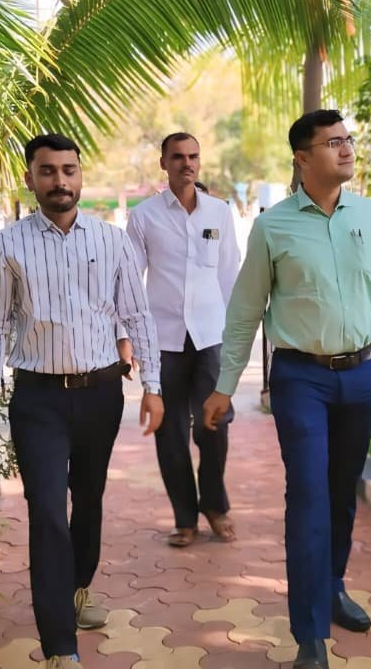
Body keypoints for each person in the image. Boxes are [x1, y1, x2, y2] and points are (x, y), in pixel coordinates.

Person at [203, 110, 371, 669]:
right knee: (309, 495)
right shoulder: (274, 227)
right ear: (302, 158)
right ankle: (310, 635)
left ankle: (332, 587)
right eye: (333, 142)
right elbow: (246, 311)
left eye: (348, 139)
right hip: (301, 379)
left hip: (363, 375)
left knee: (341, 492)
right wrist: (224, 386)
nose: (346, 149)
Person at [0, 133, 165, 669]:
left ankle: (78, 587)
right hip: (39, 400)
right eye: (48, 171)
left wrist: (153, 387)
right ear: (30, 178)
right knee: (48, 511)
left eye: (68, 170)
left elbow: (137, 316)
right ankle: (60, 646)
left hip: (101, 394)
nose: (60, 181)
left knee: (90, 500)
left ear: (81, 175)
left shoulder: (112, 240)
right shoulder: (8, 245)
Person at [125, 132, 241, 547]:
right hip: (164, 341)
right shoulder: (144, 216)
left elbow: (229, 275)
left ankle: (215, 506)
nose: (186, 163)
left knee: (215, 425)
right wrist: (127, 338)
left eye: (193, 156)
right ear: (164, 163)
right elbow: (129, 282)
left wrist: (235, 338)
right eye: (177, 157)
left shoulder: (219, 213)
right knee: (170, 432)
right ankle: (184, 517)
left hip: (211, 338)